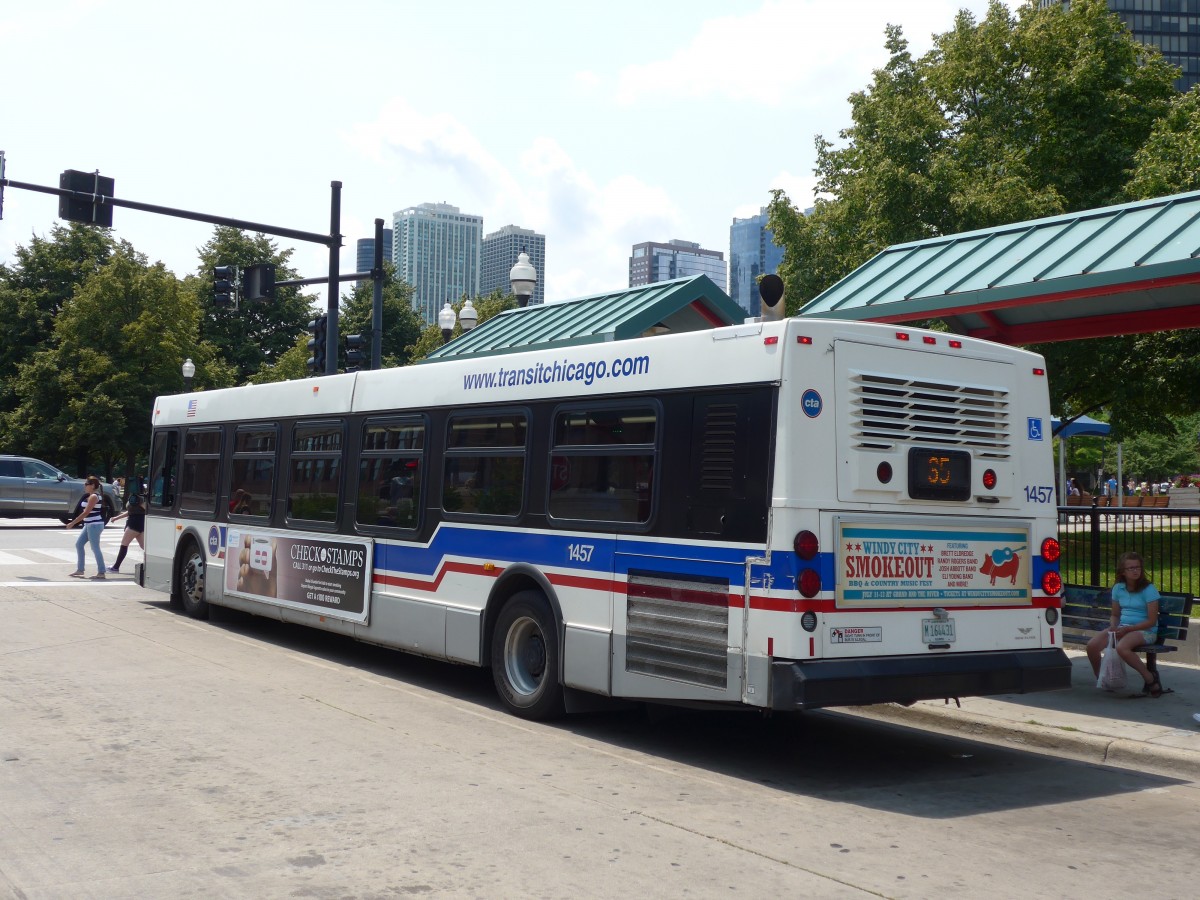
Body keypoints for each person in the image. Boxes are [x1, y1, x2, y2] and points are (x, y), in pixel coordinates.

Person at [1086, 551, 1162, 697]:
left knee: (1122, 648)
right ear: (1123, 571)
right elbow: (1115, 615)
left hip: (1146, 630)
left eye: (1138, 567)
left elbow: (1151, 621)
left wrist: (1129, 629)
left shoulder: (1149, 589)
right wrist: (1114, 626)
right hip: (1123, 628)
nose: (1135, 571)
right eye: (1131, 568)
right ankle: (1102, 678)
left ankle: (1150, 679)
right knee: (1092, 646)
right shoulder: (1118, 588)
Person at [66, 475, 107, 580]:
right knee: (79, 544)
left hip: (94, 525)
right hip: (89, 524)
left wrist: (73, 523)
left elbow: (86, 512)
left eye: (86, 484)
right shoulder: (90, 496)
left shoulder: (94, 496)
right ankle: (80, 570)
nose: (84, 486)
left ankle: (101, 572)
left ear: (92, 485)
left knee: (95, 548)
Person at [107, 494, 145, 574]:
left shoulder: (141, 499)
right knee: (144, 546)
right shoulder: (134, 497)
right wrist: (116, 518)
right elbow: (130, 511)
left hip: (135, 523)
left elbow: (148, 510)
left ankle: (115, 567)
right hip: (137, 523)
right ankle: (155, 564)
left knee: (124, 544)